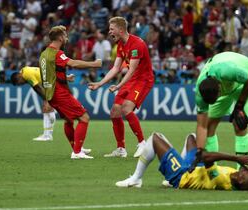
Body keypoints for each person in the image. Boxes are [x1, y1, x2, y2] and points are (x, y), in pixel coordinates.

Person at [88, 17, 154, 158]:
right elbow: (116, 68)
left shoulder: (137, 44)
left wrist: (118, 86)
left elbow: (131, 70)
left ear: (121, 29)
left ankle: (142, 144)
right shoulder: (120, 45)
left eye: (112, 29)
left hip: (143, 80)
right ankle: (121, 149)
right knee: (115, 112)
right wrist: (100, 83)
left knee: (126, 108)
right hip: (131, 80)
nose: (109, 32)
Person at [115, 132, 248, 190]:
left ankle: (136, 178)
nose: (246, 170)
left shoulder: (220, 180)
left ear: (240, 181)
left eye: (246, 173)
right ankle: (170, 176)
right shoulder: (241, 176)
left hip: (182, 176)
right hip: (196, 168)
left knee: (155, 138)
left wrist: (236, 158)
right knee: (192, 137)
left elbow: (207, 157)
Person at [39, 25, 102, 159]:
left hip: (50, 93)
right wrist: (94, 64)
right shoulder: (57, 53)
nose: (67, 38)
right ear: (61, 38)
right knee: (84, 118)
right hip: (59, 92)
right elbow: (73, 63)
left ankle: (77, 147)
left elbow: (47, 73)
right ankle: (77, 152)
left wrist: (65, 77)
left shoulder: (44, 54)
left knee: (69, 120)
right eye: (65, 36)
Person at [195, 51, 248, 168]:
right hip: (226, 82)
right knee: (209, 125)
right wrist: (200, 150)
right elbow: (201, 126)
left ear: (219, 89)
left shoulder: (228, 71)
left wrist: (239, 106)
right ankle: (213, 170)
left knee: (239, 124)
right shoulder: (200, 93)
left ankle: (242, 170)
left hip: (245, 79)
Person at [11, 66, 72, 142]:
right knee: (46, 109)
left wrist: (46, 100)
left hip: (51, 85)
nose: (21, 85)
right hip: (50, 84)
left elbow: (38, 87)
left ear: (19, 77)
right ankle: (47, 134)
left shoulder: (26, 74)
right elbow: (35, 86)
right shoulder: (24, 71)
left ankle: (47, 135)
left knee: (48, 109)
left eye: (19, 83)